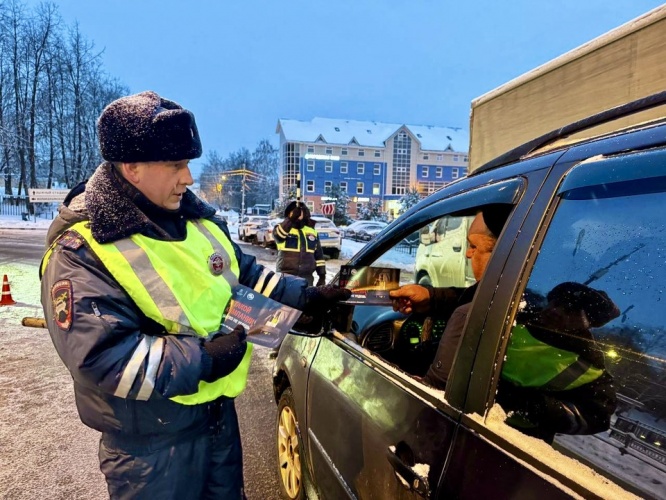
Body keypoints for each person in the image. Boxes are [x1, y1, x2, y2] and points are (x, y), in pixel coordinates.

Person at [39, 90, 349, 499]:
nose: (188, 178)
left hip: (217, 420)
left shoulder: (199, 223)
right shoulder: (83, 249)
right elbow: (103, 358)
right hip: (150, 448)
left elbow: (248, 276)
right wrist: (204, 359)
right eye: (176, 165)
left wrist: (304, 297)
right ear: (132, 166)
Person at [390, 205, 512, 389]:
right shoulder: (519, 297)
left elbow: (432, 391)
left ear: (502, 255)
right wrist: (430, 296)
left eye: (473, 246)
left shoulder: (467, 317)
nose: (467, 253)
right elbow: (471, 295)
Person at [273, 200, 327, 286]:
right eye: (294, 211)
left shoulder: (312, 231)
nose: (297, 213)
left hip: (307, 279)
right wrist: (291, 219)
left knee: (305, 299)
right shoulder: (282, 228)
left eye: (299, 211)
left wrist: (322, 276)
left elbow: (319, 257)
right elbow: (279, 236)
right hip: (285, 277)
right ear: (289, 213)